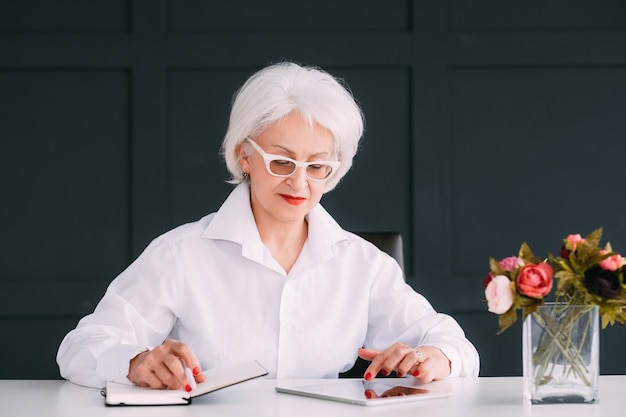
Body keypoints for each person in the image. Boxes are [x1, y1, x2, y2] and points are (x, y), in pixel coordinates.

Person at [57, 61, 479, 390]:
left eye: (318, 166)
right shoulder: (180, 254)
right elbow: (80, 348)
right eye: (281, 162)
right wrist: (134, 363)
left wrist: (438, 358)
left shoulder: (361, 265)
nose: (299, 182)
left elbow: (452, 344)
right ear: (245, 154)